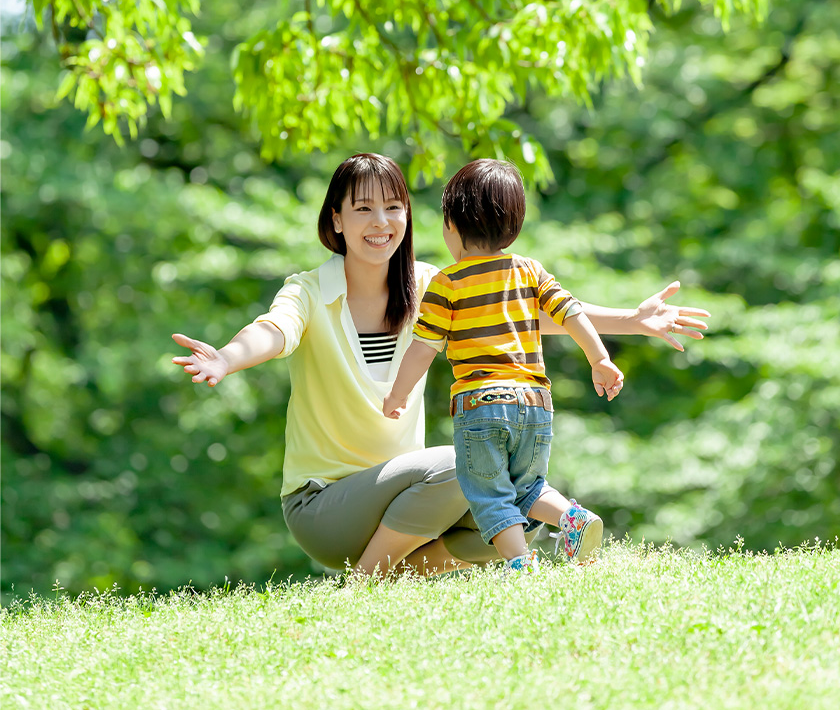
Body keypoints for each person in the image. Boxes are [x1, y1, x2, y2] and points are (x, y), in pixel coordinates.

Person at [173, 153, 709, 578]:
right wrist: (226, 358)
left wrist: (634, 321)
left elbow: (526, 313)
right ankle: (365, 583)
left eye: (393, 208)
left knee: (504, 509)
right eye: (362, 209)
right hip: (326, 506)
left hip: (412, 506)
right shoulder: (311, 291)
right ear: (335, 220)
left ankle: (389, 576)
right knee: (467, 461)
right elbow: (273, 331)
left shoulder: (432, 284)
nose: (380, 223)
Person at [382, 160, 622, 572]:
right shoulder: (529, 270)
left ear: (452, 225)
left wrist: (397, 394)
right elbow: (572, 313)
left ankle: (520, 566)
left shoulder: (448, 283)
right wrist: (599, 359)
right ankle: (571, 518)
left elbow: (423, 348)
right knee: (528, 487)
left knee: (488, 493)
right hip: (535, 402)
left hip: (481, 404)